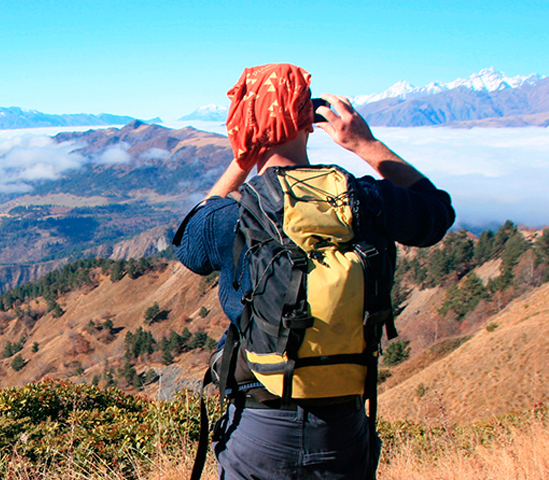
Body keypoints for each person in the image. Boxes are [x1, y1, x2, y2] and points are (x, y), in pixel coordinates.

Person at [174, 64, 454, 480]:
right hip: (342, 428)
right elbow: (436, 212)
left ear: (240, 127)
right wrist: (365, 144)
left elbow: (190, 244)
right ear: (310, 120)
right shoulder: (367, 199)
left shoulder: (237, 213)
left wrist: (240, 163)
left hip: (259, 428)